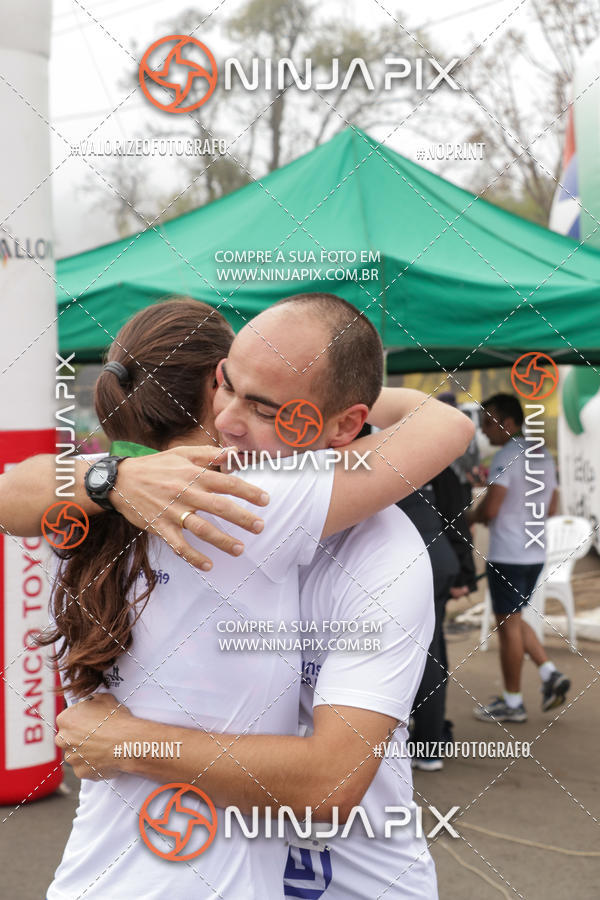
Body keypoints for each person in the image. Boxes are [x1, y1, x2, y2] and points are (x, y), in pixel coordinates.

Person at [2, 293, 474, 898]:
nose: (229, 418)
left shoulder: (102, 509)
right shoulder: (234, 498)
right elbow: (446, 424)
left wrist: (128, 744)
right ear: (208, 382)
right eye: (228, 385)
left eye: (263, 404)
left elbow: (12, 492)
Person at [467, 393, 569, 723]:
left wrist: (470, 516)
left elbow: (491, 508)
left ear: (507, 423)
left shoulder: (505, 456)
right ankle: (549, 673)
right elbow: (551, 507)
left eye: (488, 422)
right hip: (534, 554)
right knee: (513, 618)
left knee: (508, 626)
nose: (483, 430)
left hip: (508, 555)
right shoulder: (543, 454)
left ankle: (513, 703)